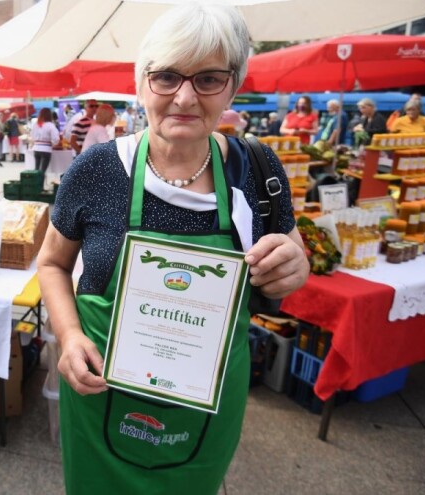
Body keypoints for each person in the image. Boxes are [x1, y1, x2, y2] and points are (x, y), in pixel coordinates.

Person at [36, 3, 309, 494]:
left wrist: (295, 265)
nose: (184, 97)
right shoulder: (97, 169)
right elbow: (53, 263)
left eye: (208, 79)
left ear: (232, 86)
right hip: (103, 394)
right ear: (141, 84)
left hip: (203, 401)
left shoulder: (258, 170)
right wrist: (69, 336)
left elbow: (293, 250)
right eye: (166, 77)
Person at [31, 107, 61, 173]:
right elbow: (56, 138)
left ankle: (35, 182)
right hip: (46, 149)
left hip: (36, 148)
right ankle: (40, 183)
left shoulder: (36, 124)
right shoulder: (50, 125)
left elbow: (32, 136)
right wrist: (54, 143)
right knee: (42, 171)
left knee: (36, 170)